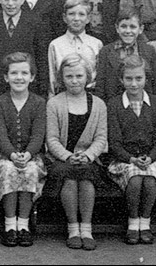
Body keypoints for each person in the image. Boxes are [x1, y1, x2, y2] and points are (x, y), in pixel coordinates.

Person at [46, 54, 108, 251]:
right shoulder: (54, 103)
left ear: (87, 77)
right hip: (62, 158)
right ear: (62, 78)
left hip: (89, 159)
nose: (74, 81)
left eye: (79, 76)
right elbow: (52, 139)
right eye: (69, 76)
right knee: (70, 179)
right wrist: (68, 156)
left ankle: (86, 229)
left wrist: (88, 155)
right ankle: (73, 228)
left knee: (87, 179)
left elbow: (101, 138)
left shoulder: (98, 104)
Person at [107, 55, 156, 245]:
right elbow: (114, 142)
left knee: (150, 181)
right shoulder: (114, 104)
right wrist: (131, 159)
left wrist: (150, 158)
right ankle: (133, 222)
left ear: (146, 79)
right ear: (121, 79)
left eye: (138, 78)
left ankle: (145, 222)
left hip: (152, 158)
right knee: (135, 181)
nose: (134, 84)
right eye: (129, 79)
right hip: (124, 160)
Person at [0, 52, 47, 247]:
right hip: (5, 155)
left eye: (24, 73)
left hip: (32, 155)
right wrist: (13, 155)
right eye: (14, 73)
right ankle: (9, 226)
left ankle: (23, 225)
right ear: (6, 77)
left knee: (29, 170)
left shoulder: (39, 103)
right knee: (9, 170)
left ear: (32, 77)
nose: (19, 77)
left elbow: (38, 135)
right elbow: (0, 135)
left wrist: (28, 154)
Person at [95, 8, 156, 102]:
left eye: (133, 27)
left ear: (140, 29)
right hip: (114, 106)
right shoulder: (106, 52)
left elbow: (155, 85)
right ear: (117, 28)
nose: (128, 31)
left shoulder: (149, 51)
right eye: (123, 26)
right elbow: (100, 86)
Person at [47, 0, 103, 97]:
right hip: (62, 96)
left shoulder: (96, 44)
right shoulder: (55, 45)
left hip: (90, 96)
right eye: (71, 14)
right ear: (65, 17)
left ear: (88, 18)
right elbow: (52, 78)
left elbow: (100, 77)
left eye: (81, 14)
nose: (76, 19)